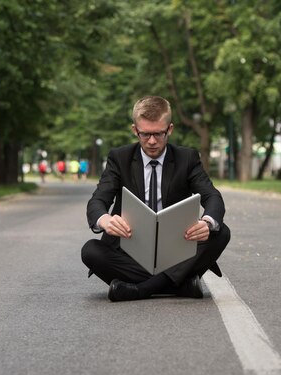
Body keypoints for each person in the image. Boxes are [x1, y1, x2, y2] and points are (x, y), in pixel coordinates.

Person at [81, 96, 231, 302]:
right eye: (145, 134)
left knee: (220, 232)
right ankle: (180, 285)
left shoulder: (187, 158)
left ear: (169, 129)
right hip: (130, 249)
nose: (152, 141)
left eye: (158, 134)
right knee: (90, 251)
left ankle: (140, 290)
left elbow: (212, 196)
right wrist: (105, 220)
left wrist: (206, 222)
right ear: (135, 130)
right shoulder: (119, 158)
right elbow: (97, 201)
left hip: (178, 248)